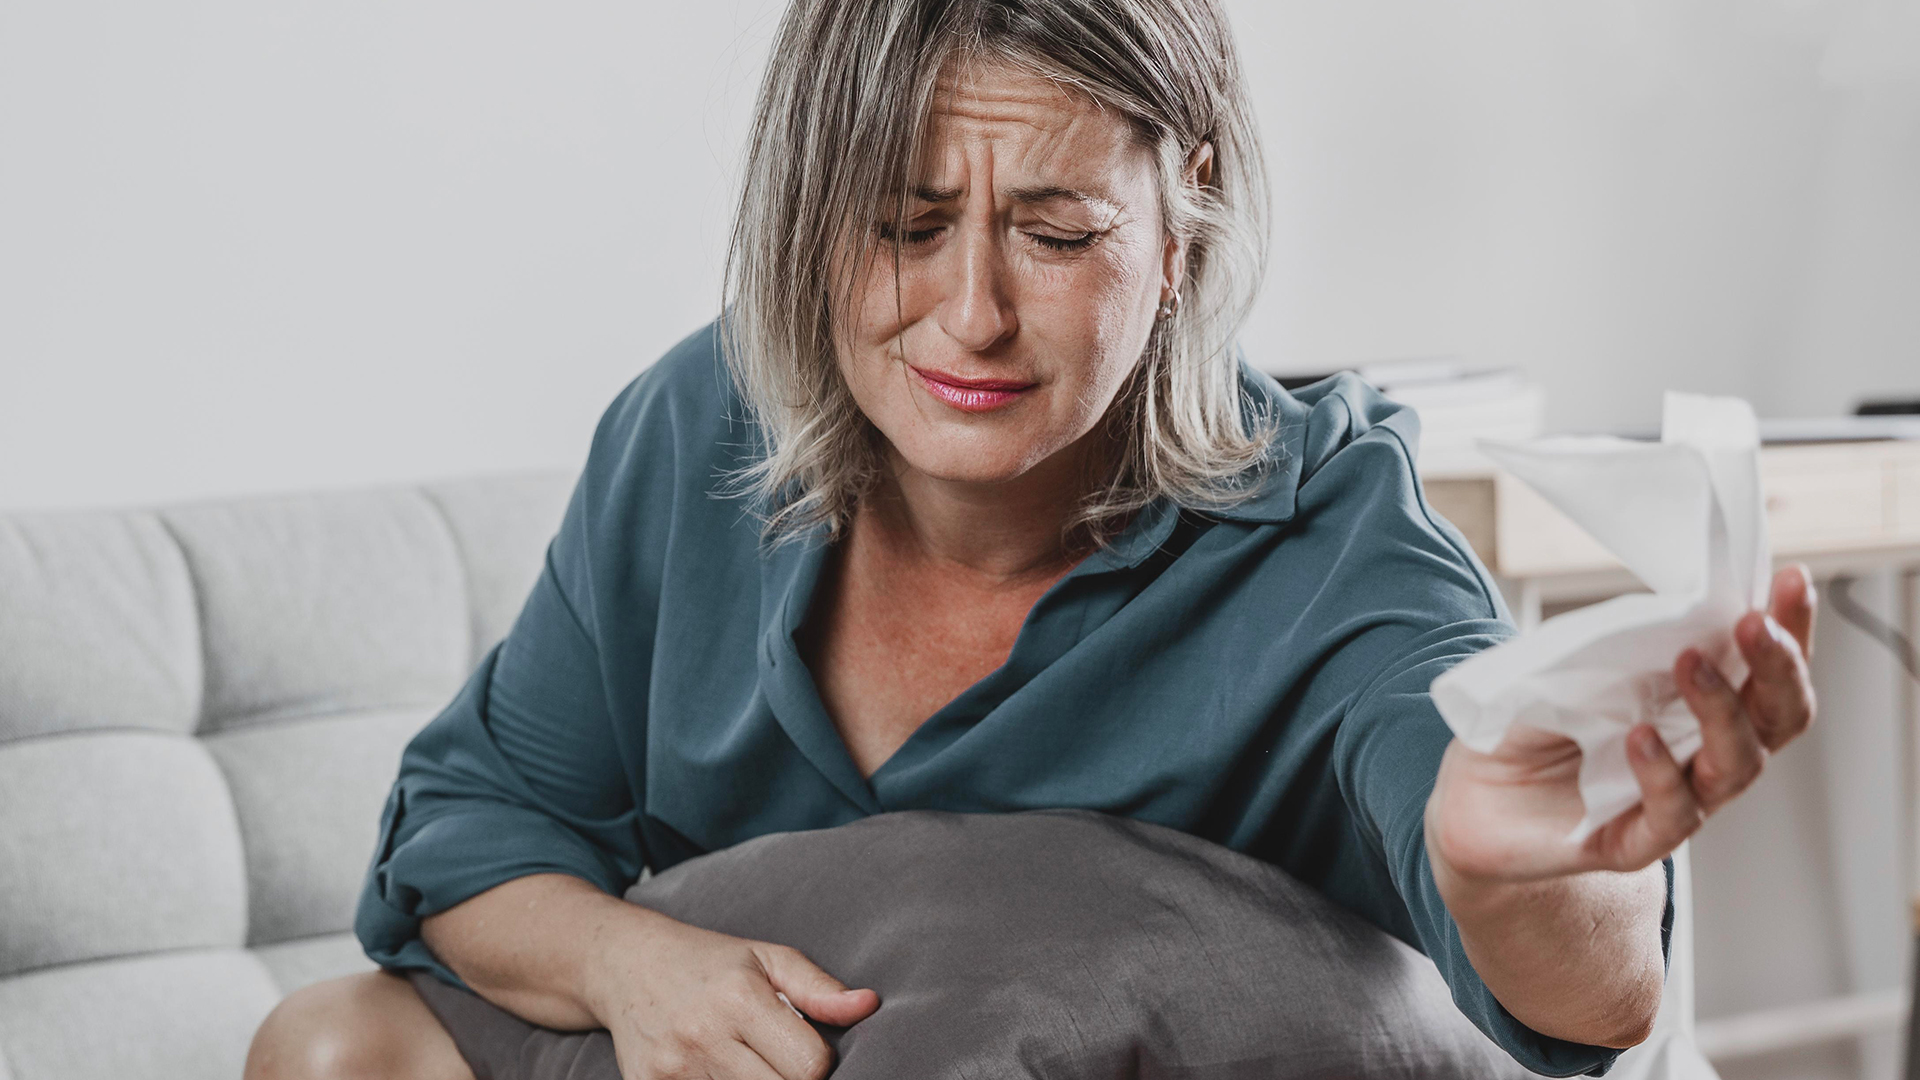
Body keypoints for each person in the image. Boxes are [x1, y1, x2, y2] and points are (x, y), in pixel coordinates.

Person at [244, 1, 1819, 1078]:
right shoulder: (699, 428)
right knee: (327, 1042)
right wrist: (631, 969)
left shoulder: (1329, 537)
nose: (974, 314)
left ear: (1185, 210)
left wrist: (1518, 862)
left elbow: (1592, 992)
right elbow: (469, 832)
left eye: (1058, 232)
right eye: (905, 224)